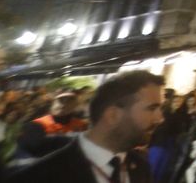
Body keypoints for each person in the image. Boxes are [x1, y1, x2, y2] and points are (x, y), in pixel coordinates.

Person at [9, 70, 164, 183]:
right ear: (113, 115)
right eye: (151, 108)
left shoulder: (140, 167)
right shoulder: (41, 175)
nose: (160, 119)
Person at [16, 92, 87, 160]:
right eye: (60, 101)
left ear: (75, 106)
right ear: (52, 104)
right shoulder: (37, 124)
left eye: (69, 102)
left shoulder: (81, 125)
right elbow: (32, 147)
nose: (63, 105)